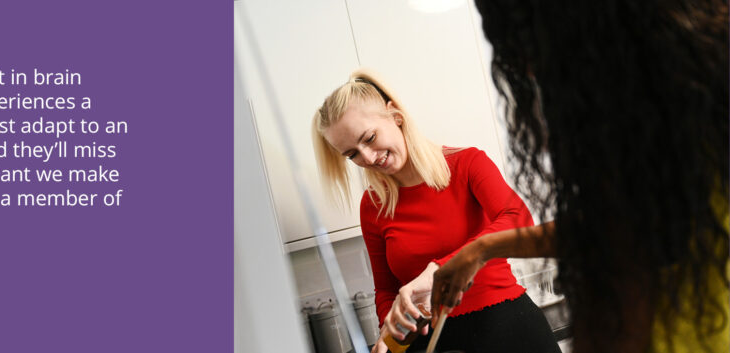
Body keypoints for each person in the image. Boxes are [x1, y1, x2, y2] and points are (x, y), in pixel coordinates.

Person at [430, 1, 729, 352]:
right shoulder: (687, 85)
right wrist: (482, 248)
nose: (529, 74)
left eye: (527, 48)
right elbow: (618, 226)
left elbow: (619, 250)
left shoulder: (630, 116)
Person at [312, 69, 560, 352]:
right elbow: (386, 290)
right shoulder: (372, 206)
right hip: (432, 343)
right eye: (352, 154)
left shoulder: (468, 165)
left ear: (396, 117)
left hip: (509, 330)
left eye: (368, 138)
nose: (366, 157)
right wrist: (389, 331)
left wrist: (440, 269)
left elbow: (519, 220)